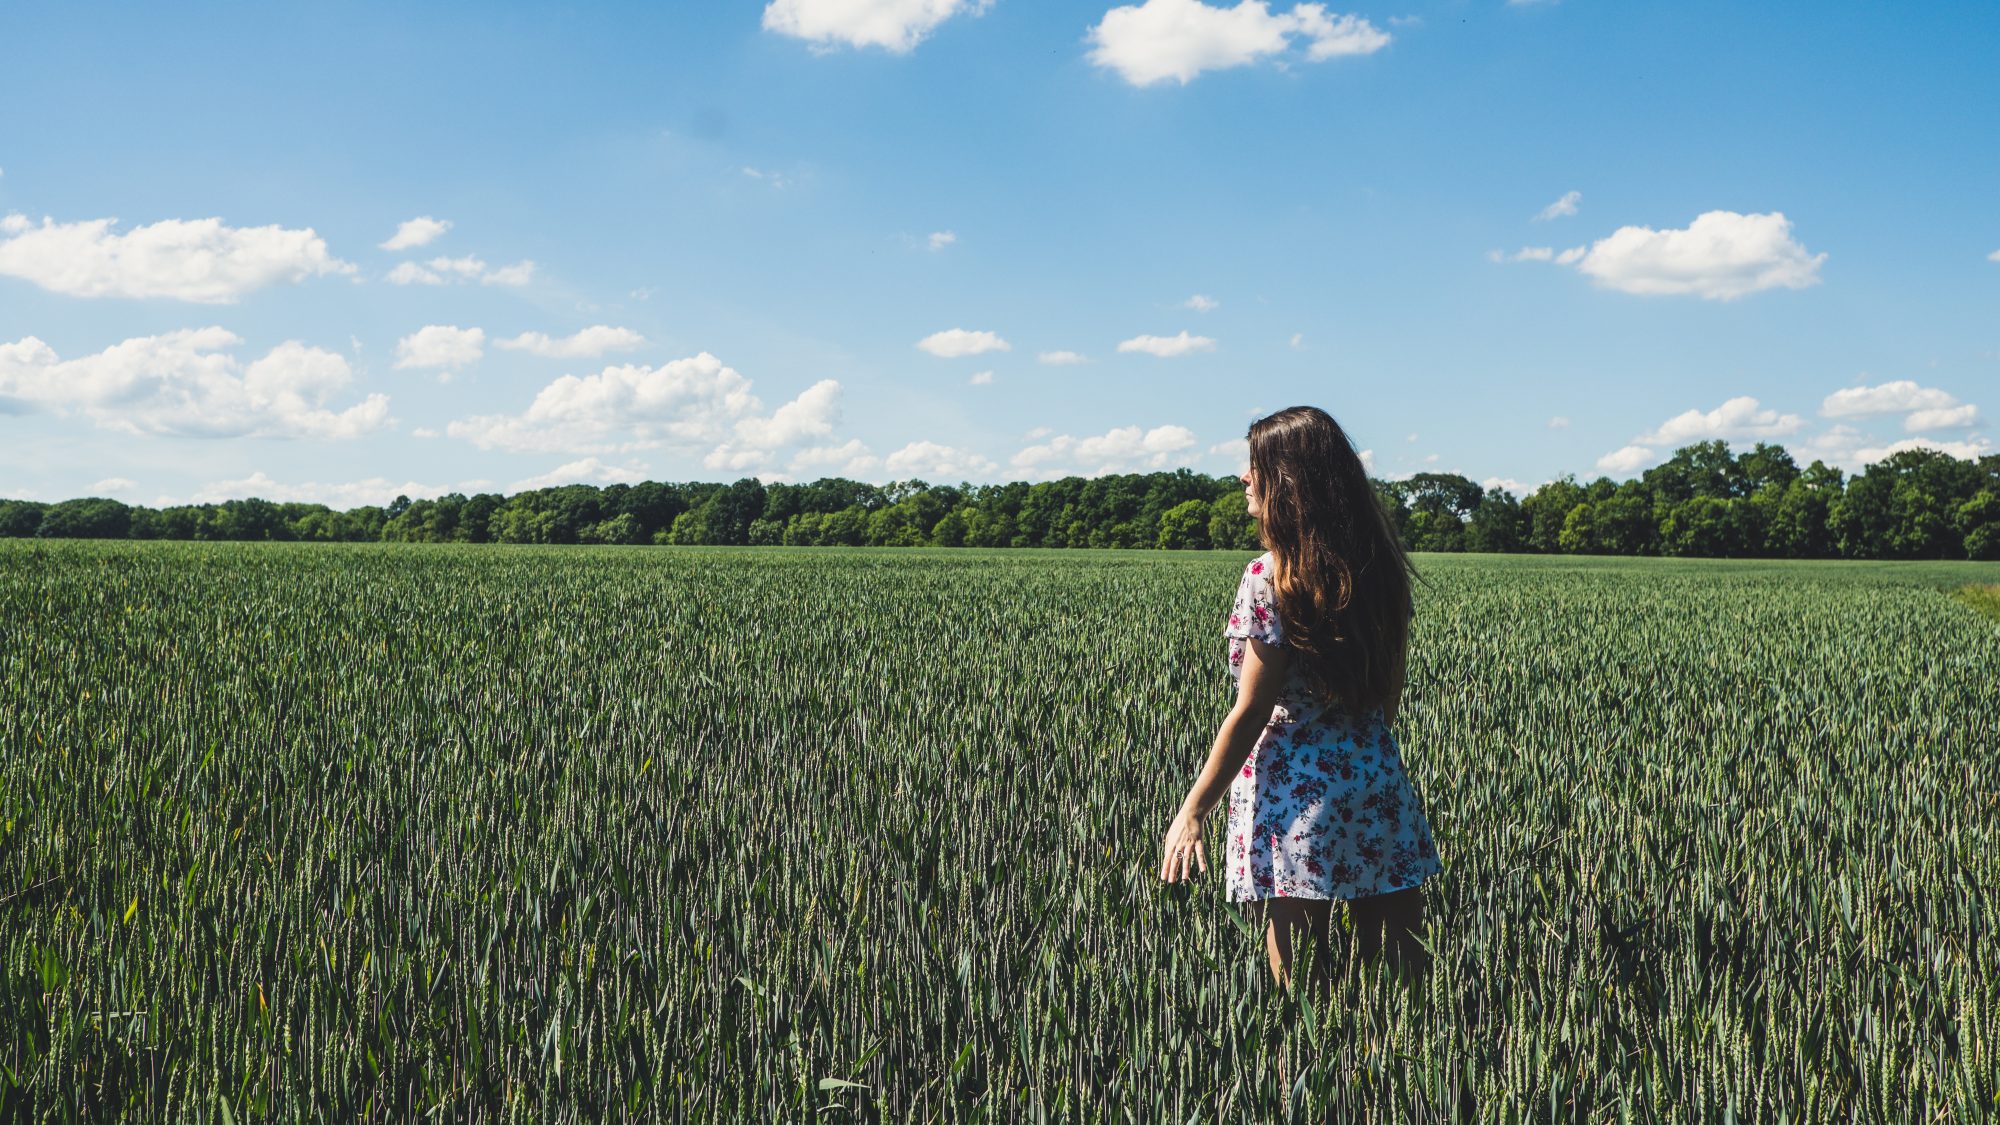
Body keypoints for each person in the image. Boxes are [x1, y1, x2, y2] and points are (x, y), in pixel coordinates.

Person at [1158, 405, 1444, 998]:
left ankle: (1310, 1088)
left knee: (1300, 999)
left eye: (1254, 464)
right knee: (1402, 990)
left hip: (1295, 801)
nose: (1243, 476)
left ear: (1288, 481)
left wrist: (1192, 812)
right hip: (1376, 781)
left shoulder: (1271, 577)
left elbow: (1251, 711)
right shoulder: (1380, 568)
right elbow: (1388, 692)